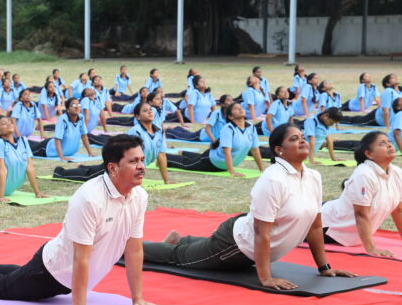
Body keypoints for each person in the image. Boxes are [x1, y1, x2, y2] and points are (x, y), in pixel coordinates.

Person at [0, 134, 168, 305]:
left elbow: (134, 249)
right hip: (52, 271)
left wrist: (137, 298)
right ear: (112, 167)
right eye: (133, 161)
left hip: (68, 276)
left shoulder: (139, 196)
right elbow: (81, 257)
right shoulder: (90, 198)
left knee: (20, 276)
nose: (141, 166)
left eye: (141, 160)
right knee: (4, 289)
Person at [141, 123, 355, 290]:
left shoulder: (313, 176)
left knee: (202, 248)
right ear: (279, 150)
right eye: (294, 138)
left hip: (247, 235)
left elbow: (315, 227)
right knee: (178, 257)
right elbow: (261, 233)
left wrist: (324, 268)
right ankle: (131, 248)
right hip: (237, 245)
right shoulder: (273, 179)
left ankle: (183, 239)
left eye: (302, 136)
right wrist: (266, 278)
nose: (302, 140)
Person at [321, 132, 402, 257]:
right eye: (382, 143)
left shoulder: (397, 172)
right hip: (325, 224)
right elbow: (361, 214)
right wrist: (371, 248)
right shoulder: (364, 174)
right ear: (369, 154)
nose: (390, 145)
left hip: (338, 214)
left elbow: (398, 210)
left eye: (389, 142)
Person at [165, 102, 265, 177]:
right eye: (236, 109)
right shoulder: (228, 129)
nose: (240, 109)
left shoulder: (251, 127)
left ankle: (185, 153)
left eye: (240, 108)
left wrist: (262, 169)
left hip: (223, 163)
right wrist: (232, 172)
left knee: (196, 158)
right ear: (230, 116)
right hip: (214, 162)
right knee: (187, 164)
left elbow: (255, 150)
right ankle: (165, 158)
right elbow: (226, 152)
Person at [26, 98, 94, 161]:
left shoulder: (81, 118)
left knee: (31, 143)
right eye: (73, 105)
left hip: (67, 151)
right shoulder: (63, 119)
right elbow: (57, 139)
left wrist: (90, 153)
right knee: (27, 148)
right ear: (67, 109)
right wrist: (62, 157)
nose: (76, 107)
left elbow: (84, 137)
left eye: (78, 105)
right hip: (47, 149)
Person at [166, 94, 234, 143]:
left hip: (210, 137)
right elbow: (207, 128)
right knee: (185, 137)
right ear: (222, 104)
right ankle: (168, 131)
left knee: (189, 134)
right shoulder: (217, 113)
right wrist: (214, 140)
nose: (231, 102)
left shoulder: (232, 115)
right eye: (228, 100)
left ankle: (176, 128)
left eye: (232, 100)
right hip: (203, 136)